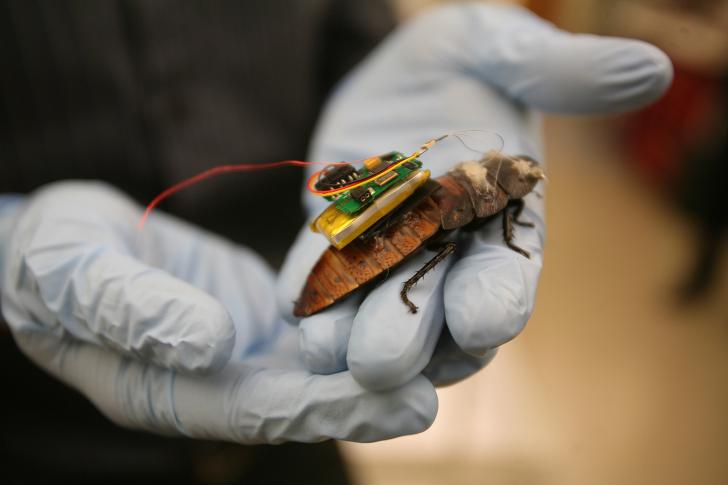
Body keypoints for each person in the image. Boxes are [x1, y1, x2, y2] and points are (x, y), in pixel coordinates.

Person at [0, 1, 672, 483]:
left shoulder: (471, 186)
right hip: (41, 431)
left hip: (297, 399)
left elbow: (353, 29)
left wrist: (389, 66)